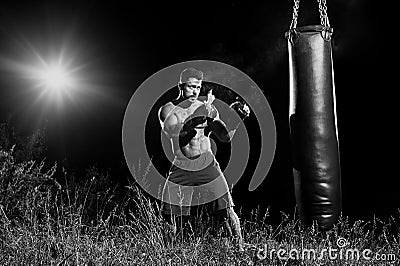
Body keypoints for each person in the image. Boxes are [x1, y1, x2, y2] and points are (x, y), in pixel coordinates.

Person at [158, 67, 249, 251]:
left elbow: (225, 136)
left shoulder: (207, 107)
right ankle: (168, 255)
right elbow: (175, 133)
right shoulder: (168, 109)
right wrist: (197, 117)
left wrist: (237, 118)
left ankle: (240, 251)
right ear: (181, 86)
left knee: (227, 210)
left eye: (198, 87)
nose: (195, 91)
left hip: (208, 164)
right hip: (181, 166)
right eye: (191, 87)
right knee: (171, 216)